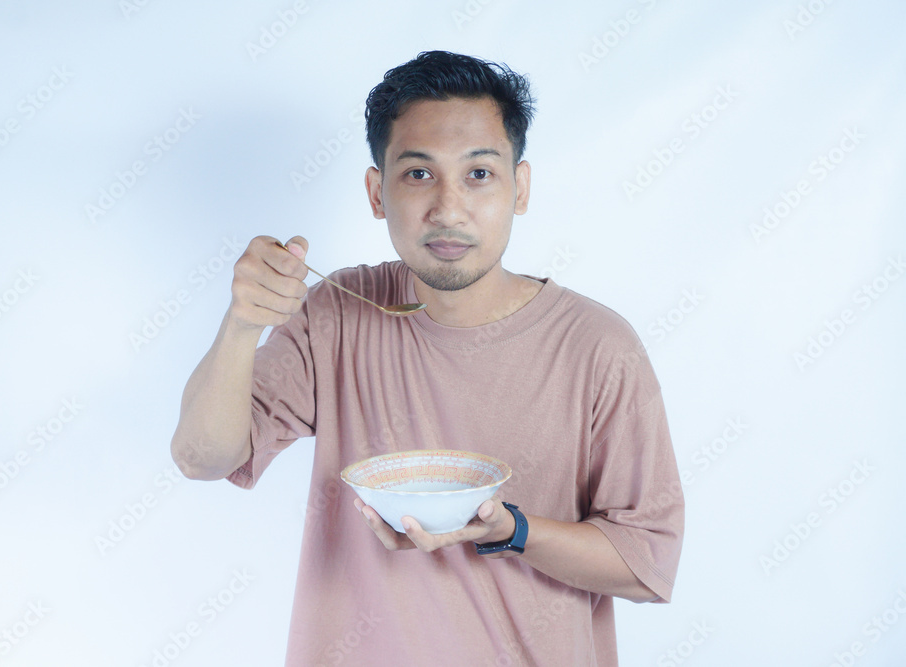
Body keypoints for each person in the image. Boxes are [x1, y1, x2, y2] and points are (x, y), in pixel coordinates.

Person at [171, 50, 684, 666]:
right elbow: (201, 457)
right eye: (418, 175)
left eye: (478, 174)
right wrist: (241, 325)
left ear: (519, 188)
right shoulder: (337, 312)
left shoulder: (599, 347)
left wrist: (512, 531)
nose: (447, 208)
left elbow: (648, 563)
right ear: (376, 192)